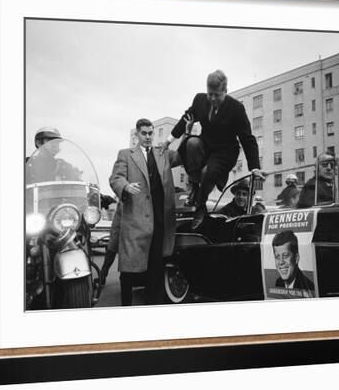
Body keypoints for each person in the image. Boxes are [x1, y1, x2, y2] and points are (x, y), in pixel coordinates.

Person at [160, 70, 266, 230]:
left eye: (217, 95)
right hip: (206, 145)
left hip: (226, 151)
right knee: (192, 144)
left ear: (225, 91)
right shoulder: (200, 100)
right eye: (210, 94)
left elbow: (247, 138)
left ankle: (200, 208)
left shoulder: (236, 108)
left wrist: (255, 167)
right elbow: (185, 119)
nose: (213, 99)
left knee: (208, 173)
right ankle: (195, 187)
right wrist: (167, 142)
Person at [109, 118, 182, 305]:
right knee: (129, 269)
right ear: (137, 134)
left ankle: (152, 305)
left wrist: (186, 133)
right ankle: (126, 306)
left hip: (159, 221)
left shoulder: (162, 153)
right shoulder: (126, 154)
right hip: (135, 220)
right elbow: (115, 177)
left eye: (151, 133)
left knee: (156, 267)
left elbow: (183, 156)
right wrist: (125, 186)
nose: (148, 137)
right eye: (144, 133)